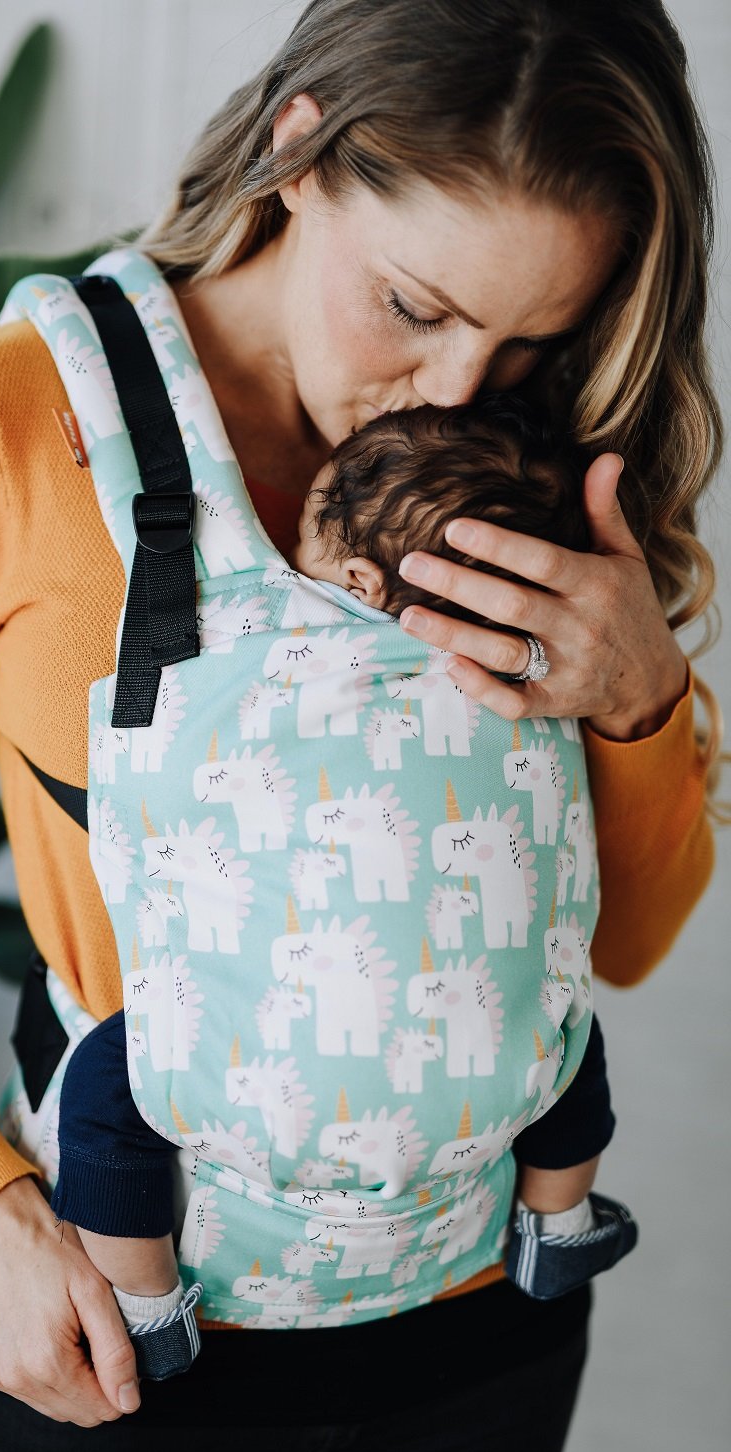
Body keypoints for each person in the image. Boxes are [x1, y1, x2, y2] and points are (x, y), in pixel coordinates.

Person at [0, 2, 722, 1452]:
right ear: (300, 151)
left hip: (483, 1355)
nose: (457, 391)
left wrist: (641, 697)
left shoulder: (524, 471)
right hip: (119, 1347)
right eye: (414, 305)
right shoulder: (18, 423)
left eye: (532, 339)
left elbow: (625, 947)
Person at [49, 393, 636, 1383]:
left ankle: (143, 1306)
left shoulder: (258, 652)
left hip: (268, 1077)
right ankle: (557, 1221)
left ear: (357, 579)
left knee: (113, 1086)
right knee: (571, 1038)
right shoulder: (543, 679)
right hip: (499, 1064)